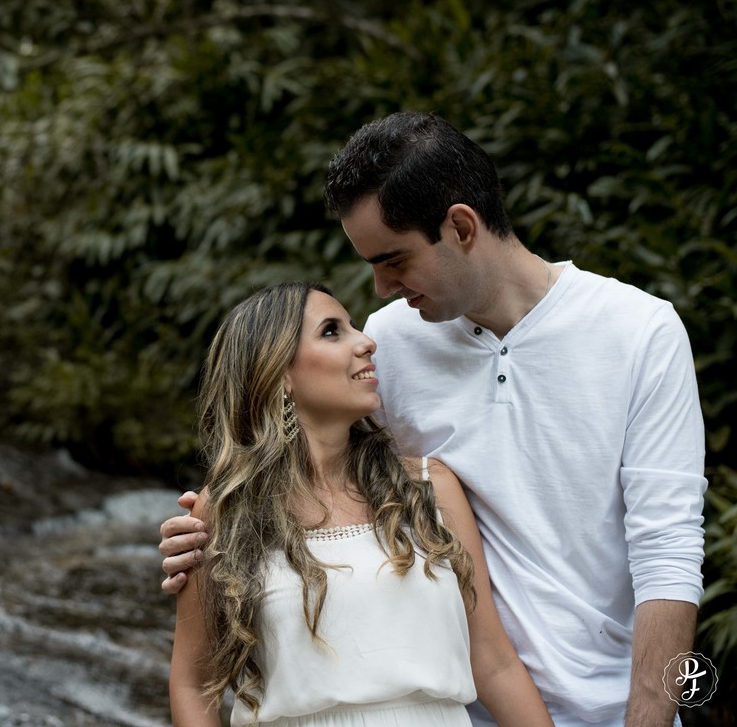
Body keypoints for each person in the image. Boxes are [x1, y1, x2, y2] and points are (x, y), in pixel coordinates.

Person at [161, 112, 707, 727]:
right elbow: (328, 489)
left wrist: (652, 717)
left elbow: (669, 552)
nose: (380, 288)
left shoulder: (641, 331)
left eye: (393, 260)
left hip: (617, 709)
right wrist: (209, 535)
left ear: (461, 226)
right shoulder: (391, 343)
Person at [169, 281, 554, 727]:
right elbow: (193, 683)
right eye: (333, 331)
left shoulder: (429, 488)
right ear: (279, 374)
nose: (366, 342)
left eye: (353, 327)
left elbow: (492, 661)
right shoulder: (227, 511)